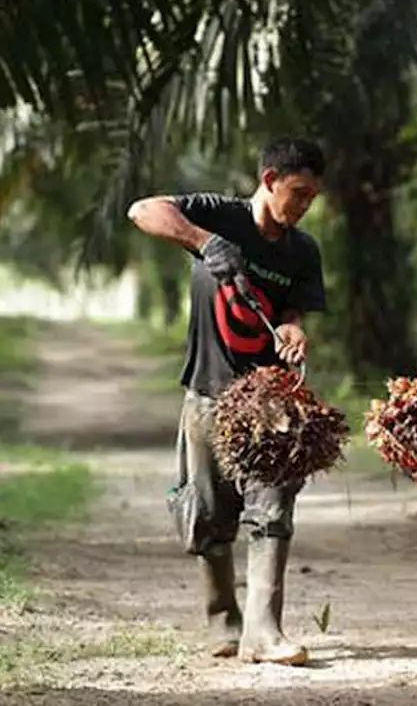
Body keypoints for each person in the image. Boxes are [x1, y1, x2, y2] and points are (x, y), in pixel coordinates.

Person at [125, 136, 327, 666]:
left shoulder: (302, 251)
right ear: (268, 181)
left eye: (312, 197)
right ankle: (225, 622)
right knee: (209, 515)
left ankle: (265, 630)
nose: (304, 206)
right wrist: (203, 242)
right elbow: (142, 210)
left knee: (274, 506)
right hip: (208, 394)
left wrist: (292, 331)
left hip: (267, 403)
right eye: (298, 193)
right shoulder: (221, 216)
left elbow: (292, 313)